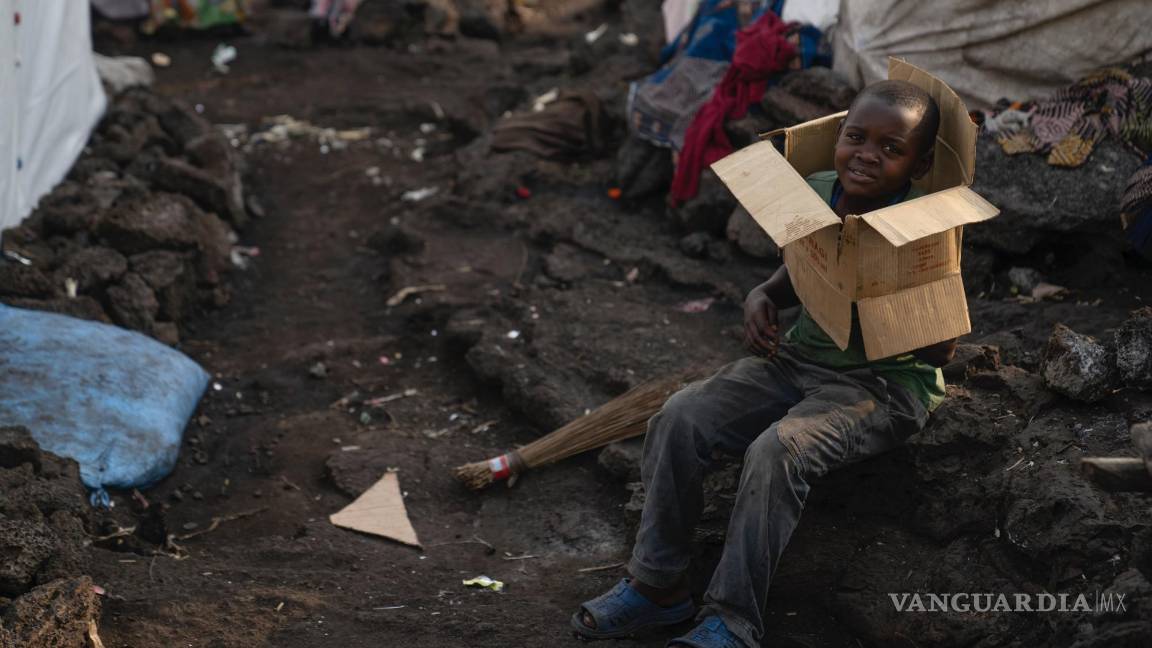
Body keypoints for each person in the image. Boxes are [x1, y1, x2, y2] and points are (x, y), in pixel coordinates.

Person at [570, 80, 959, 648]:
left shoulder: (924, 228)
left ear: (919, 163)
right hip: (798, 360)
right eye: (856, 137)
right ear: (838, 138)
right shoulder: (820, 192)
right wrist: (762, 297)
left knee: (778, 449)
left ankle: (732, 619)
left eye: (890, 148)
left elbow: (941, 350)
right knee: (680, 416)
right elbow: (795, 276)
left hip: (883, 382)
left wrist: (876, 300)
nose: (867, 155)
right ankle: (656, 587)